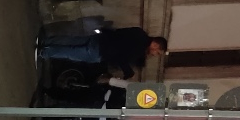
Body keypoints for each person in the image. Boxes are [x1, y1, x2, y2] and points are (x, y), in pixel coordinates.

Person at [38, 26, 167, 78]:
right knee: (71, 53)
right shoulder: (139, 50)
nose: (155, 55)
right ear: (155, 44)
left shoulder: (139, 32)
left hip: (101, 39)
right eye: (157, 52)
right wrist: (128, 72)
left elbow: (119, 31)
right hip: (101, 53)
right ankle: (45, 53)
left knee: (72, 40)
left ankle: (46, 41)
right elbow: (122, 58)